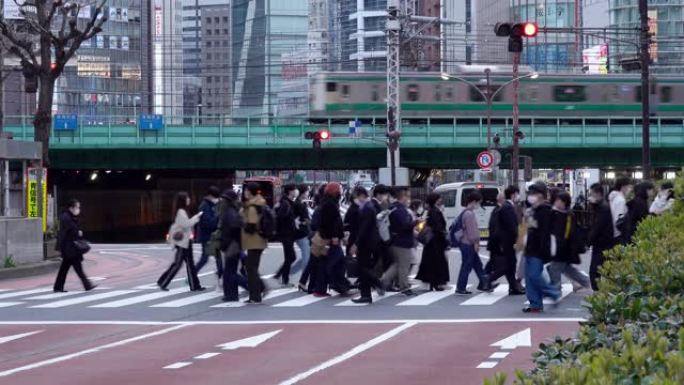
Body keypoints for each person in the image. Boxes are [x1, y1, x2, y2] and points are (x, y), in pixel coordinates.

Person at [522, 182, 560, 313]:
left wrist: (544, 252)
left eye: (534, 194)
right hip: (530, 248)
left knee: (534, 275)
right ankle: (535, 304)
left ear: (541, 195)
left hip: (538, 249)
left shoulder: (545, 211)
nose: (531, 196)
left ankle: (553, 292)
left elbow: (544, 233)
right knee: (529, 278)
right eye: (530, 193)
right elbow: (531, 228)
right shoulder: (534, 210)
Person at [158, 192, 205, 292]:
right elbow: (186, 224)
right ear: (183, 200)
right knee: (178, 264)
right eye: (187, 198)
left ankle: (195, 285)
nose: (189, 200)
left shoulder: (182, 211)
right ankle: (163, 282)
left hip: (186, 242)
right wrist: (197, 217)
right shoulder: (181, 212)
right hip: (182, 243)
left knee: (189, 264)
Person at [547, 191, 591, 292]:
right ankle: (587, 282)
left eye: (559, 200)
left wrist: (558, 245)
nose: (556, 202)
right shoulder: (559, 213)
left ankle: (555, 290)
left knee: (556, 268)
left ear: (564, 202)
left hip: (562, 247)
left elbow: (565, 233)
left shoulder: (566, 216)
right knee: (567, 269)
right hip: (561, 247)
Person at [486, 186, 525, 295]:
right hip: (507, 241)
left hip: (505, 241)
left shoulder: (506, 206)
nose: (518, 196)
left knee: (510, 265)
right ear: (513, 194)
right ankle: (489, 279)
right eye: (517, 194)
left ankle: (513, 288)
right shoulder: (507, 207)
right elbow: (511, 226)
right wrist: (517, 240)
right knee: (509, 265)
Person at [351, 187, 386, 304]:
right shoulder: (366, 207)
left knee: (362, 267)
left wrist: (356, 244)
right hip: (368, 242)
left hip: (367, 243)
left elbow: (364, 229)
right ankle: (366, 295)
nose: (356, 199)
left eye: (356, 196)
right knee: (363, 268)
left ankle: (377, 283)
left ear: (362, 195)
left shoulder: (367, 208)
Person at [381, 187, 418, 296]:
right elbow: (404, 226)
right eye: (408, 196)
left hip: (395, 241)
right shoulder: (400, 209)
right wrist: (416, 222)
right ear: (403, 196)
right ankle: (404, 287)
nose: (409, 199)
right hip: (403, 241)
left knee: (397, 265)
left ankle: (382, 281)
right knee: (403, 265)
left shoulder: (393, 208)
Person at [315, 182, 350, 296]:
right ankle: (338, 285)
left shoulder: (327, 203)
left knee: (331, 263)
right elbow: (331, 223)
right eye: (339, 190)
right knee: (334, 263)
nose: (341, 193)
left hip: (329, 238)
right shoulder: (330, 205)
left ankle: (335, 286)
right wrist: (335, 236)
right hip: (331, 239)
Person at [53, 199, 96, 292]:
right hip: (70, 248)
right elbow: (70, 231)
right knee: (77, 268)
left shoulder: (67, 216)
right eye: (77, 207)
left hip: (70, 248)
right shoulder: (66, 217)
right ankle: (87, 285)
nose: (78, 209)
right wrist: (78, 232)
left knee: (65, 269)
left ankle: (58, 287)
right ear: (71, 208)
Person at [454, 191, 492, 295]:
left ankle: (485, 284)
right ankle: (461, 287)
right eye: (478, 202)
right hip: (468, 244)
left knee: (477, 265)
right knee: (468, 265)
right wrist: (476, 243)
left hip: (465, 243)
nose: (478, 205)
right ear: (474, 201)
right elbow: (472, 232)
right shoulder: (469, 214)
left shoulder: (465, 212)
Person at [241, 182, 268, 304]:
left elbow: (251, 225)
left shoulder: (252, 206)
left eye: (246, 190)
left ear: (250, 192)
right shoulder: (261, 202)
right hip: (260, 239)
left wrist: (243, 225)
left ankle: (255, 295)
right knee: (252, 267)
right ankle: (259, 290)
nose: (245, 193)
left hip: (254, 241)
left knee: (251, 268)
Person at [416, 193, 450, 291]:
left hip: (430, 241)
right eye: (439, 199)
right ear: (435, 200)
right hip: (437, 241)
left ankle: (431, 282)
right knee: (438, 262)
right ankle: (437, 283)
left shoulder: (429, 211)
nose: (440, 200)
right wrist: (445, 239)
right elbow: (439, 227)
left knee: (430, 262)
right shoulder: (435, 211)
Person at [218, 190, 247, 301]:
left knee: (230, 272)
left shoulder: (230, 212)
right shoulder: (233, 210)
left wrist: (226, 240)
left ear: (228, 201)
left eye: (224, 199)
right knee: (230, 271)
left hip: (232, 244)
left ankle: (253, 285)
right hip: (233, 244)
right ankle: (231, 294)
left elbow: (234, 227)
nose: (222, 201)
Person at [587, 183, 613, 291]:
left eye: (591, 193)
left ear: (598, 194)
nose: (590, 196)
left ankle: (599, 292)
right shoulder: (602, 206)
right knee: (601, 270)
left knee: (595, 271)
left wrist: (588, 242)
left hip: (602, 243)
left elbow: (597, 227)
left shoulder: (603, 208)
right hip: (603, 243)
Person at [195, 186, 223, 281]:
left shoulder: (211, 205)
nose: (217, 199)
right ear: (210, 196)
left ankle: (220, 275)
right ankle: (193, 275)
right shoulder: (204, 206)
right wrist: (218, 217)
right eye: (215, 197)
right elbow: (208, 223)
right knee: (206, 258)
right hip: (207, 236)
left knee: (217, 258)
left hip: (213, 236)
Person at [274, 184, 298, 286]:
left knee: (290, 257)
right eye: (294, 189)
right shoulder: (285, 203)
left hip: (288, 233)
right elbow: (280, 217)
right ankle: (284, 279)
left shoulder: (287, 202)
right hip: (286, 233)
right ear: (290, 191)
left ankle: (280, 276)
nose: (296, 191)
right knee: (290, 257)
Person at [291, 184, 311, 289]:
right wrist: (311, 223)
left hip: (298, 233)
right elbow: (306, 219)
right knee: (306, 258)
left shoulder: (297, 203)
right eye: (307, 191)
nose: (308, 193)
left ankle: (287, 273)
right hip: (302, 234)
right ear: (303, 192)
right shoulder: (300, 205)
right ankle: (304, 281)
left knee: (305, 256)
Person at [609, 177, 632, 245]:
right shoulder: (620, 200)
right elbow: (619, 220)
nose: (629, 190)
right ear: (623, 187)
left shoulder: (614, 198)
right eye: (628, 187)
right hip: (618, 235)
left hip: (613, 233)